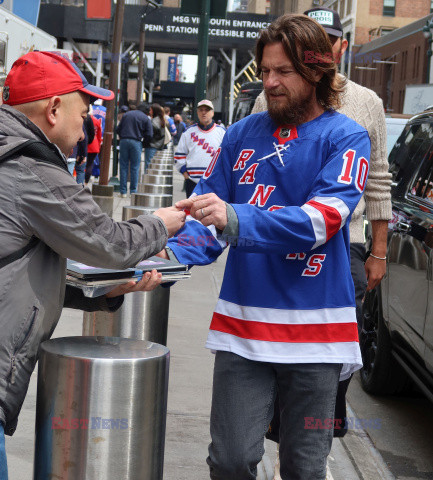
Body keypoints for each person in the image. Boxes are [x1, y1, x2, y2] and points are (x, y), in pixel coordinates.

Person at [159, 14, 371, 479]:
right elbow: (206, 217)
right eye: (266, 71)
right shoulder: (239, 136)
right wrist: (166, 255)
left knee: (303, 466)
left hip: (317, 334)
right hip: (243, 326)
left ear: (317, 72)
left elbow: (324, 219)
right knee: (230, 459)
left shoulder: (346, 137)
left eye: (284, 72)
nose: (270, 82)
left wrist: (236, 217)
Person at [0, 51, 186, 479]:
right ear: (53, 109)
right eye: (83, 113)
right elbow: (110, 243)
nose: (86, 125)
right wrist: (163, 222)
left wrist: (101, 296)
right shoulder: (33, 170)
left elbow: (17, 273)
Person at [252, 7, 392, 454]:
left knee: (331, 358)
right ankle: (282, 438)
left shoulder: (366, 102)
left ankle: (314, 447)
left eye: (325, 41)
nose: (317, 49)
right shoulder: (268, 98)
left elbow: (379, 179)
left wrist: (380, 251)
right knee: (274, 349)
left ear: (340, 46)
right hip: (276, 243)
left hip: (343, 246)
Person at [174, 99, 226, 198]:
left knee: (211, 212)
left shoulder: (222, 132)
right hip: (192, 182)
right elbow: (179, 155)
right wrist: (186, 175)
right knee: (192, 212)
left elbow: (228, 156)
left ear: (212, 113)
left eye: (207, 110)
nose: (203, 112)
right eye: (201, 110)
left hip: (214, 182)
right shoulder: (188, 132)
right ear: (197, 113)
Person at [116, 104, 153, 197]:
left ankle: (123, 191)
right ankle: (133, 191)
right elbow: (149, 134)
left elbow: (118, 129)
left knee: (123, 166)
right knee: (135, 167)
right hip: (136, 142)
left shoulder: (127, 115)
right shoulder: (145, 118)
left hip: (124, 141)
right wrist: (143, 143)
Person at [145, 103, 166, 171]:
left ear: (154, 111)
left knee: (149, 166)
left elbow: (150, 134)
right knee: (154, 167)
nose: (149, 112)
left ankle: (147, 181)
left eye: (151, 110)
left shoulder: (153, 122)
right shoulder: (161, 120)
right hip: (159, 145)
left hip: (152, 145)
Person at [85, 111, 102, 185]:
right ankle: (86, 182)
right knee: (90, 164)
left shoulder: (85, 119)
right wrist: (98, 145)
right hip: (94, 145)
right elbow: (99, 135)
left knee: (82, 165)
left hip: (85, 143)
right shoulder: (96, 121)